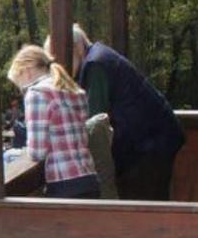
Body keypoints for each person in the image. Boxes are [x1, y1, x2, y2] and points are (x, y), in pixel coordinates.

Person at [54, 25, 184, 200]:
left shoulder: (95, 65)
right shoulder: (99, 57)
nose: (59, 68)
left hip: (149, 144)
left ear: (76, 48)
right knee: (149, 204)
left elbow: (94, 122)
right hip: (152, 140)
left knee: (144, 207)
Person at [8, 44, 100, 199]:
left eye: (20, 85)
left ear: (27, 71)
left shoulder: (36, 94)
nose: (22, 90)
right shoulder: (74, 91)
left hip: (63, 183)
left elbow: (37, 152)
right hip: (89, 179)